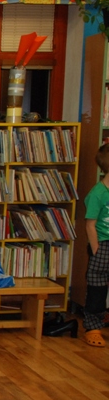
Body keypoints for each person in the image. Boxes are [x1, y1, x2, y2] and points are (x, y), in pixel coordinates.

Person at [81, 143, 109, 347]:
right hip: (103, 244)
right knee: (97, 286)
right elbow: (90, 224)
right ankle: (93, 326)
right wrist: (96, 249)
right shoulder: (98, 193)